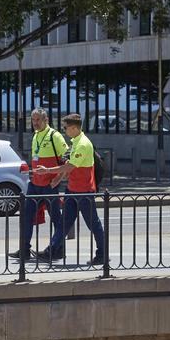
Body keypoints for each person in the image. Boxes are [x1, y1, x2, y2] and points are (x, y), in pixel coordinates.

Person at [37, 113, 107, 265]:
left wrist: (48, 171)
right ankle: (52, 250)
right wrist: (58, 178)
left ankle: (102, 253)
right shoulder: (75, 141)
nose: (64, 130)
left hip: (83, 191)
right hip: (73, 189)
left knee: (93, 223)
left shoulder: (83, 144)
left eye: (65, 127)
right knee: (64, 222)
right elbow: (69, 166)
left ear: (74, 128)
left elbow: (70, 166)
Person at [10, 108, 68, 260]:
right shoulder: (36, 135)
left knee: (56, 218)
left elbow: (68, 161)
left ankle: (57, 249)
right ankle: (24, 250)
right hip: (35, 184)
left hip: (49, 185)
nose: (35, 123)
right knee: (26, 216)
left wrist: (58, 179)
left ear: (45, 120)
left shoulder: (55, 136)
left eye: (38, 120)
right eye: (33, 120)